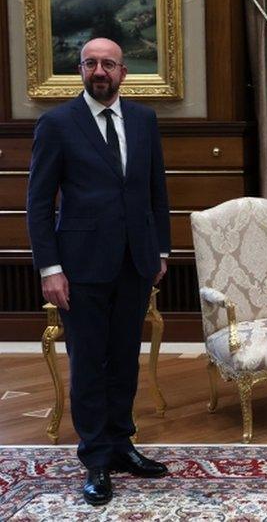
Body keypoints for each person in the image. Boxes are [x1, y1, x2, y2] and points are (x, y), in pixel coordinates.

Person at [27, 38, 172, 506]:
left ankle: (121, 444)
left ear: (123, 72)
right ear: (81, 70)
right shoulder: (57, 124)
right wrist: (50, 268)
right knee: (89, 363)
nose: (100, 70)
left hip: (135, 261)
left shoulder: (145, 120)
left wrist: (161, 252)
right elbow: (37, 203)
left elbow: (156, 192)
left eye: (108, 63)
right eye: (91, 63)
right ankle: (95, 458)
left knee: (124, 358)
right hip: (80, 266)